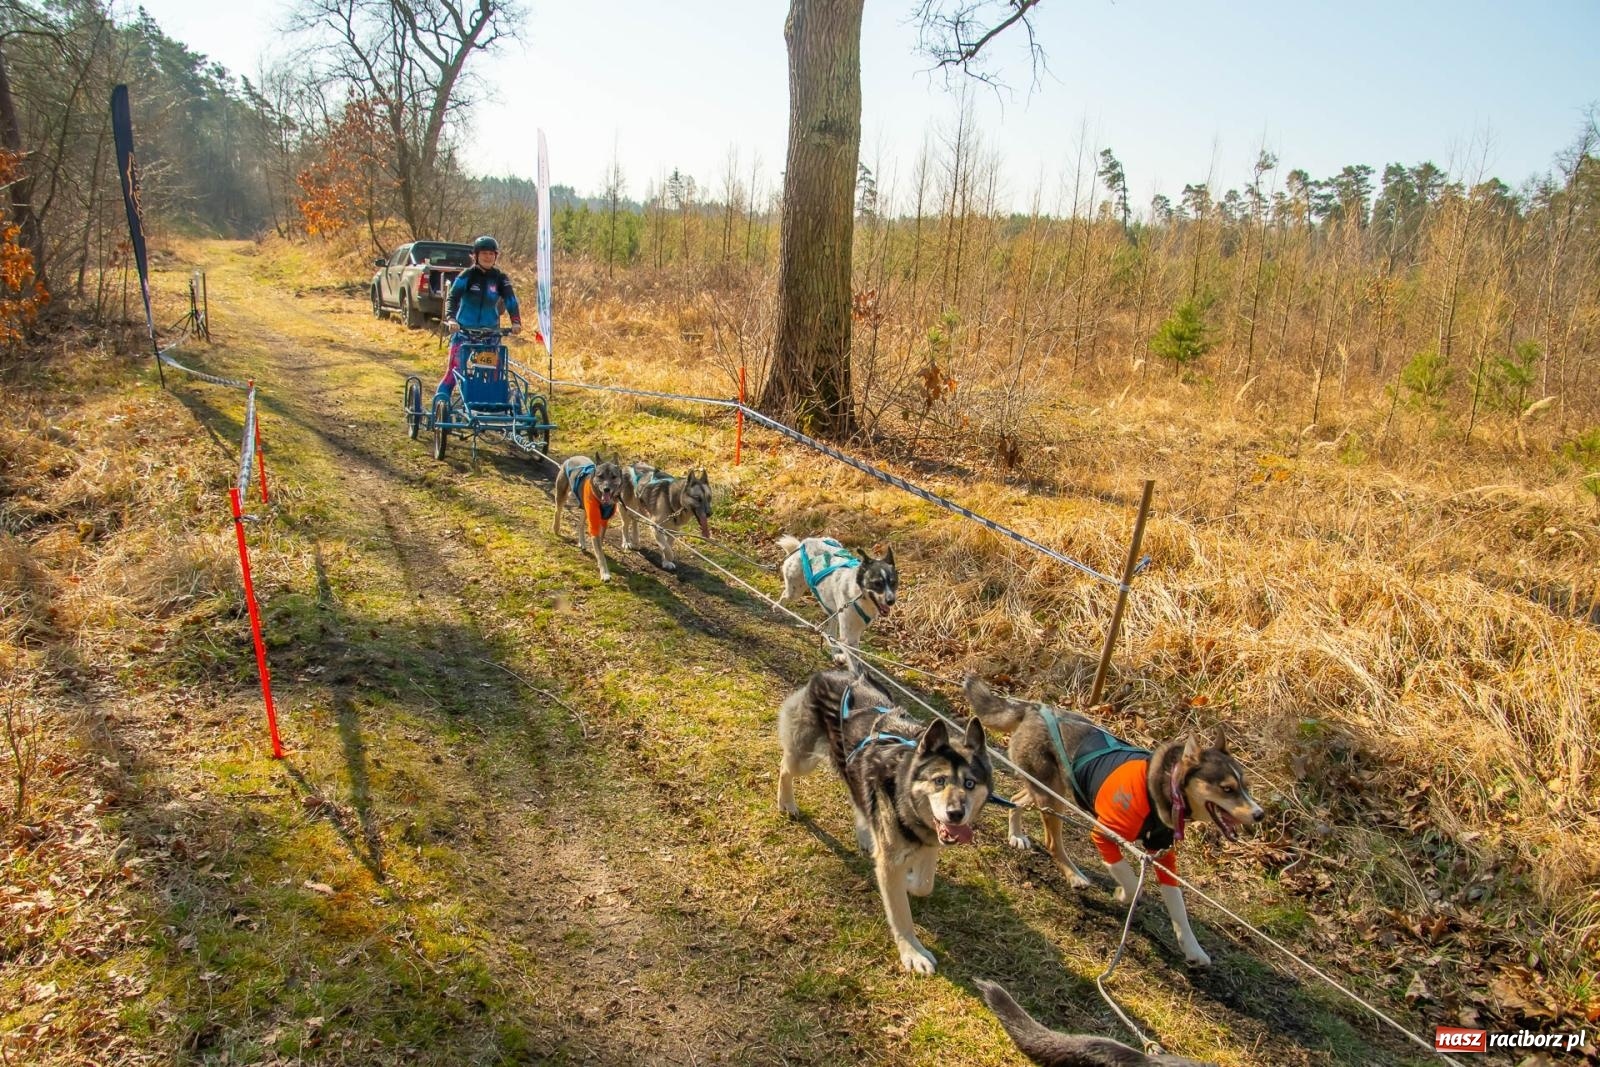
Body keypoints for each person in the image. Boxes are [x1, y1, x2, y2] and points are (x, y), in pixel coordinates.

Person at [435, 235, 522, 403]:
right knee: (454, 372)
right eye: (484, 253)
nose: (488, 257)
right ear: (475, 255)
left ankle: (491, 405)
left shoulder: (500, 278)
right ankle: (440, 404)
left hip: (490, 333)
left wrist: (516, 322)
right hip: (464, 332)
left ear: (496, 256)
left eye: (491, 253)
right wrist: (451, 319)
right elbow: (452, 298)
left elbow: (511, 300)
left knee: (495, 374)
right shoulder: (467, 275)